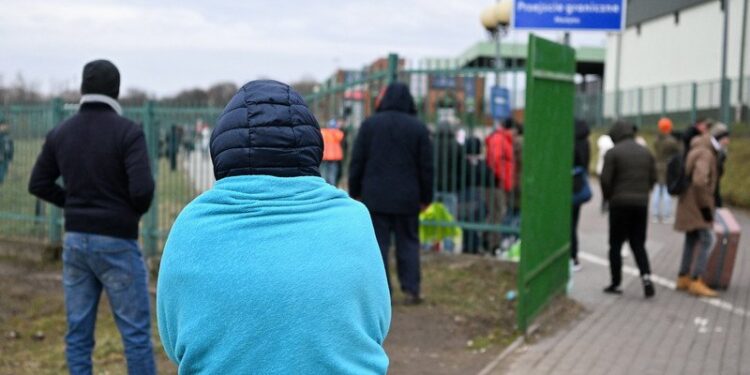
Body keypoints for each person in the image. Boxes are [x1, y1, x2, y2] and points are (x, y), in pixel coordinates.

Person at [157, 80, 391, 374]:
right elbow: (377, 323)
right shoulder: (355, 219)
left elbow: (172, 340)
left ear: (221, 150)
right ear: (312, 147)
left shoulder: (190, 225)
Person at [28, 60, 156, 374]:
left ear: (83, 89)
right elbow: (142, 192)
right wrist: (124, 215)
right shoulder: (129, 132)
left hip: (75, 242)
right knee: (136, 335)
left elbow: (38, 183)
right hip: (118, 243)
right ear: (117, 90)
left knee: (78, 334)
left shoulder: (61, 132)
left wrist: (72, 204)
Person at [349, 82, 434, 305]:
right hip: (408, 198)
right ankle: (412, 289)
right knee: (408, 243)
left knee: (378, 246)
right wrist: (427, 197)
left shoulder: (370, 125)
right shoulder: (418, 128)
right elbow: (426, 167)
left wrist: (354, 190)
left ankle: (382, 293)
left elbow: (357, 161)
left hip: (375, 197)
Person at [600, 121, 656, 298]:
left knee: (615, 245)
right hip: (641, 204)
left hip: (619, 204)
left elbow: (605, 180)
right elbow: (653, 178)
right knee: (638, 243)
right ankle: (646, 278)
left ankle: (616, 283)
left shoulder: (613, 153)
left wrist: (609, 197)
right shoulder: (646, 152)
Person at [674, 128, 723, 298]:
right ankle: (696, 279)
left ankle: (683, 276)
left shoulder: (696, 148)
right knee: (708, 239)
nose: (728, 143)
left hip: (688, 202)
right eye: (726, 139)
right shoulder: (706, 154)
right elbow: (700, 181)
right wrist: (705, 208)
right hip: (697, 205)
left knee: (691, 238)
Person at [484, 118, 516, 253]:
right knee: (497, 213)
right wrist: (502, 178)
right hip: (497, 183)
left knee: (497, 213)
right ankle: (492, 244)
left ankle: (490, 240)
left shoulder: (503, 139)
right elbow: (496, 160)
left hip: (501, 182)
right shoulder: (499, 139)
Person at [458, 137, 494, 254]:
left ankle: (467, 247)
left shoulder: (461, 163)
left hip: (463, 197)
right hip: (479, 197)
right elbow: (490, 179)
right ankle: (474, 247)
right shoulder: (483, 165)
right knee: (475, 224)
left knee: (465, 224)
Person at [651, 117, 683, 223]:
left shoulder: (656, 139)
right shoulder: (671, 141)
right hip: (667, 167)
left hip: (657, 166)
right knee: (666, 191)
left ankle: (655, 214)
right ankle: (666, 215)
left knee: (656, 191)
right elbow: (680, 150)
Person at [571, 119, 591, 271]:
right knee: (574, 223)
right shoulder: (586, 143)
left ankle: (571, 256)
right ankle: (574, 257)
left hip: (570, 185)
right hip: (579, 185)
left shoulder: (572, 144)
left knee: (568, 225)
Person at [710, 122, 730, 207]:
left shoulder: (722, 150)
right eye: (725, 137)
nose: (728, 141)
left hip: (716, 179)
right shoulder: (714, 150)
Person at [320, 119, 345, 185]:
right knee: (332, 175)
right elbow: (341, 136)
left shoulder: (323, 132)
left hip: (324, 157)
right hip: (334, 158)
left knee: (323, 174)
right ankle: (332, 189)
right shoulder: (337, 133)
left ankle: (324, 187)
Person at [0, 118, 13, 185]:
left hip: (7, 155)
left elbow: (11, 146)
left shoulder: (8, 135)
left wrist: (11, 158)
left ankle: (1, 182)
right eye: (2, 125)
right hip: (1, 156)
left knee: (5, 169)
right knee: (1, 169)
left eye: (5, 125)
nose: (4, 127)